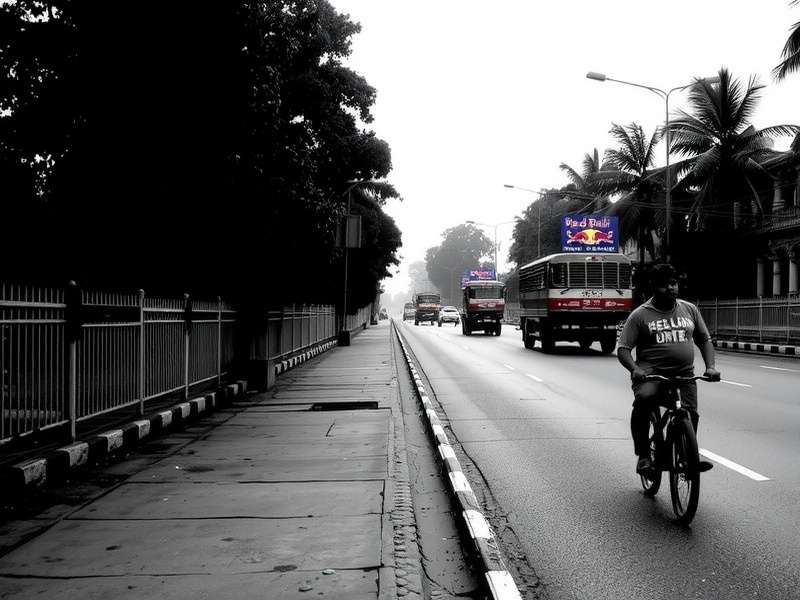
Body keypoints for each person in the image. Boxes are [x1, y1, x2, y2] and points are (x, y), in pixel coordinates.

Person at [617, 264, 720, 476]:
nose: (671, 288)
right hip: (651, 374)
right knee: (644, 401)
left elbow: (704, 339)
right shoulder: (640, 315)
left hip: (684, 374)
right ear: (654, 288)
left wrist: (711, 367)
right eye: (664, 285)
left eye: (673, 284)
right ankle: (644, 456)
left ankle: (687, 457)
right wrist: (635, 369)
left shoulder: (689, 309)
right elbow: (623, 349)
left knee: (690, 413)